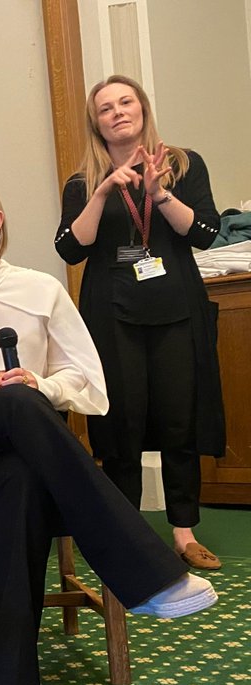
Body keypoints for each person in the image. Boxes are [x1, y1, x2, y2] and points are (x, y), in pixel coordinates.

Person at [0, 179, 218, 685]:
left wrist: (40, 384)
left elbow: (90, 385)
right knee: (15, 400)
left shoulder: (41, 289)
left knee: (21, 474)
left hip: (24, 444)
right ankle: (143, 569)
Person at [55, 74, 224, 570]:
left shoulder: (184, 165)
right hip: (112, 317)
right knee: (120, 425)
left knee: (179, 419)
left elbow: (207, 235)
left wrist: (160, 193)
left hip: (177, 312)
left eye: (126, 102)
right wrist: (105, 190)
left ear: (143, 109)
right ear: (97, 124)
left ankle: (184, 533)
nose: (118, 112)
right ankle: (126, 533)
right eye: (106, 108)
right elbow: (69, 247)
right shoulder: (84, 180)